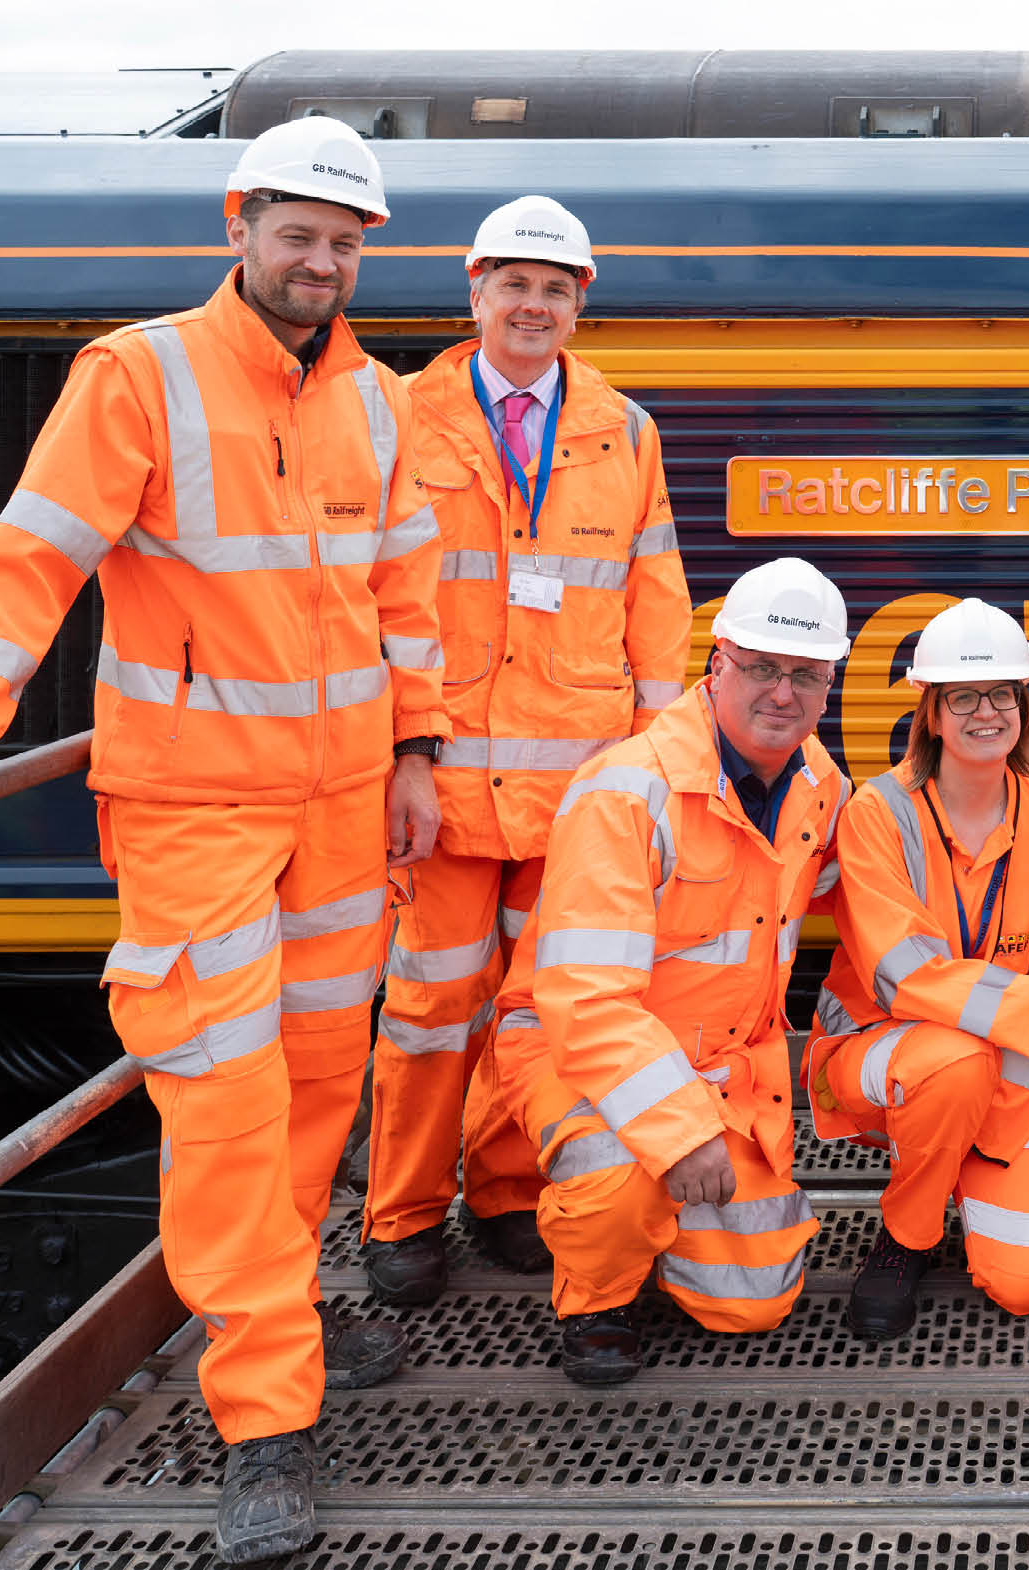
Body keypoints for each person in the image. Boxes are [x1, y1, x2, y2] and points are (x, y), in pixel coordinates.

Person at [0, 119, 444, 1562]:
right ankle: (263, 1415)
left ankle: (276, 1307)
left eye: (345, 241)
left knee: (310, 1088)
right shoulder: (141, 374)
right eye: (299, 232)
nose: (321, 261)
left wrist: (417, 747)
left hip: (347, 807)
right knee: (227, 1101)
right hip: (196, 811)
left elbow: (405, 593)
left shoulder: (372, 400)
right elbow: (23, 568)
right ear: (242, 223)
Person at [362, 196, 691, 1306]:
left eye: (555, 288)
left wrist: (656, 767)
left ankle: (504, 1193)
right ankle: (402, 1217)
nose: (534, 305)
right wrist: (395, 751)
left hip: (581, 798)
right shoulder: (402, 418)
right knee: (427, 1007)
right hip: (444, 782)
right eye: (515, 284)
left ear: (580, 305)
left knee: (539, 1010)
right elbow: (373, 595)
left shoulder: (623, 430)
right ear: (475, 291)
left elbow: (656, 602)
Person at [480, 557, 849, 1386]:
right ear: (716, 664)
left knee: (751, 1301)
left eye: (805, 675)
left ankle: (657, 1217)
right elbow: (586, 1000)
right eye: (760, 667)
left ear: (829, 684)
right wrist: (677, 1131)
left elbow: (841, 894)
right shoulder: (627, 792)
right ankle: (596, 1298)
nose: (782, 693)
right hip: (578, 1052)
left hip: (722, 1065)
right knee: (622, 1181)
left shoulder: (820, 787)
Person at [807, 598, 1029, 1338]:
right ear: (932, 713)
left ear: (1023, 706)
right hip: (879, 1059)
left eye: (1003, 693)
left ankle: (971, 1173)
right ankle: (908, 1235)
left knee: (1026, 1283)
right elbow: (903, 974)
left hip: (1008, 1075)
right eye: (963, 696)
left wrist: (1005, 1119)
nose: (986, 711)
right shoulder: (877, 812)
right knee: (955, 1062)